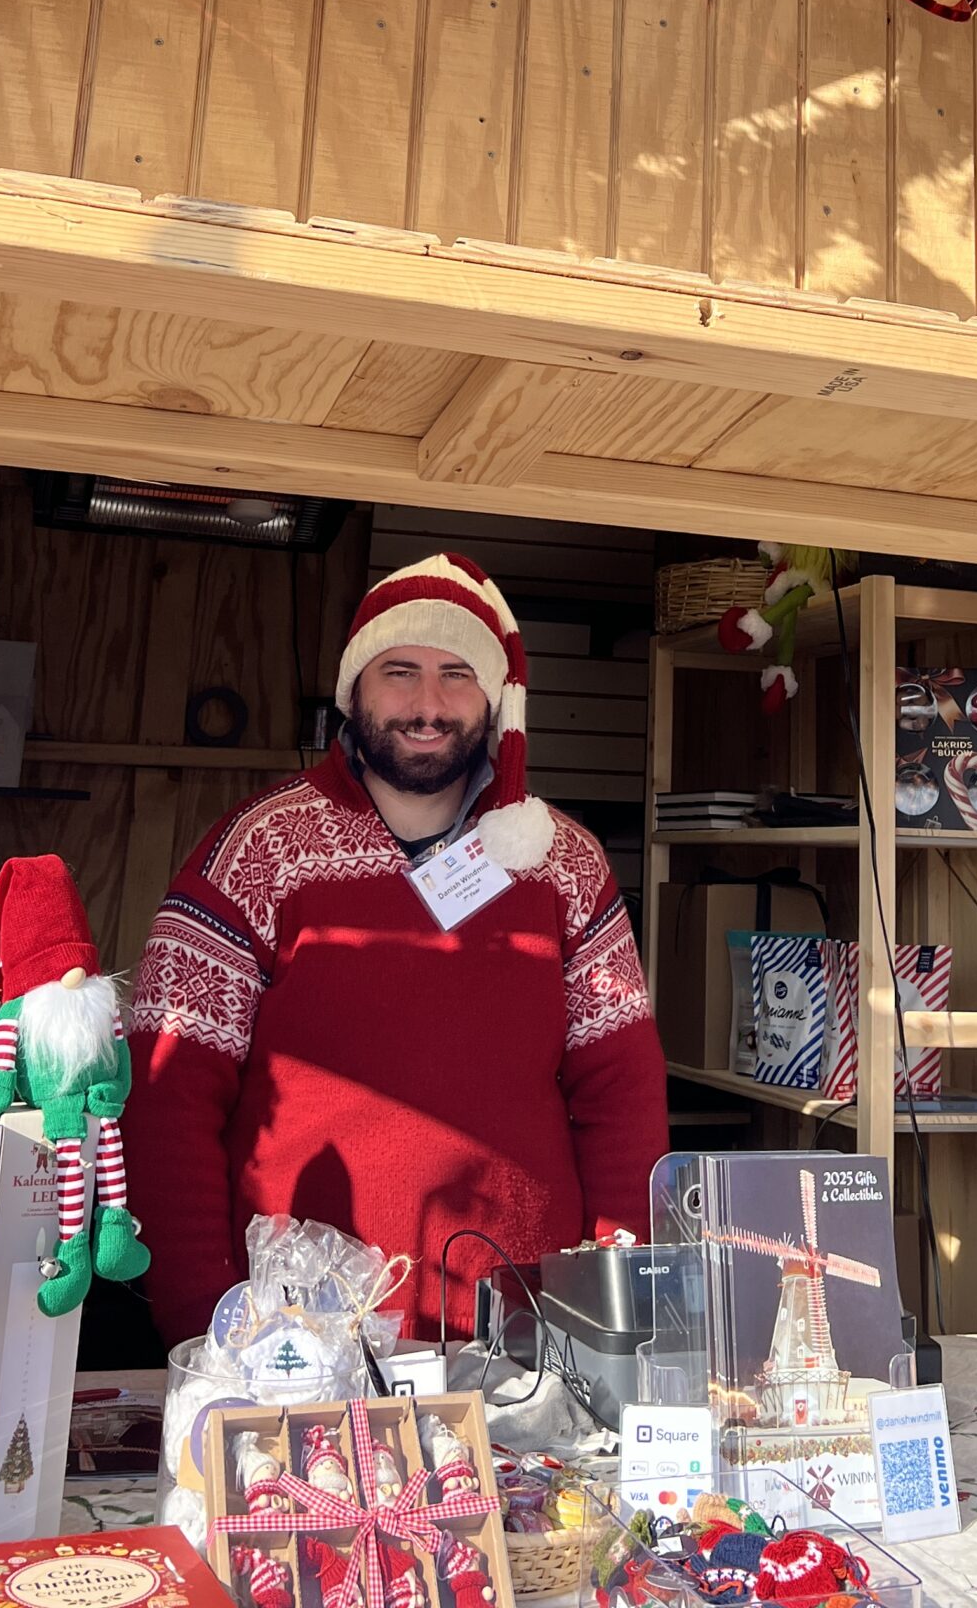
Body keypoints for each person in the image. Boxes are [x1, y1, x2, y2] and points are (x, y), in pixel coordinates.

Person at [123, 551, 668, 1346]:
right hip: (297, 1335)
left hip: (522, 1329)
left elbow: (623, 1094)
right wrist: (204, 1318)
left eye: (456, 675)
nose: (428, 705)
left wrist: (616, 1301)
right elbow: (168, 1095)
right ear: (355, 691)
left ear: (495, 699)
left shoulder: (563, 863)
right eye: (400, 672)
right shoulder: (258, 849)